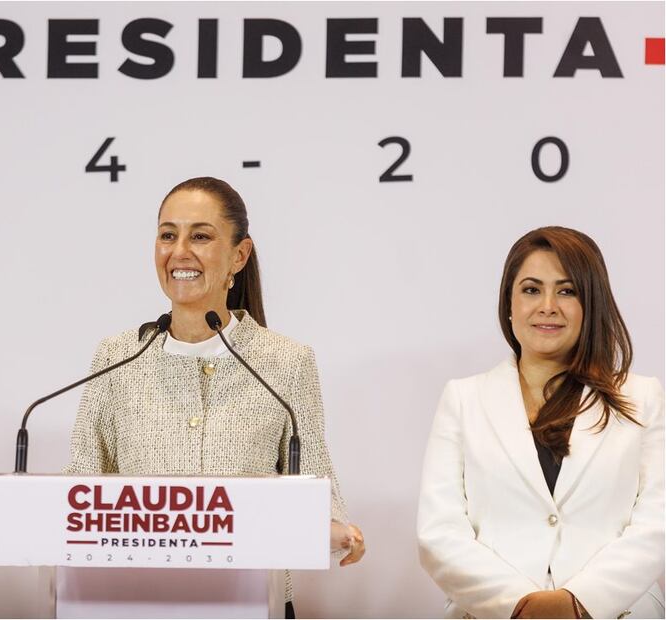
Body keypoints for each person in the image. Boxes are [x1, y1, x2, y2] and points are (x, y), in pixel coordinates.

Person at [65, 176, 365, 616]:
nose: (179, 251)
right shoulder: (116, 358)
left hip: (253, 604)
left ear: (238, 256)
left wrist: (333, 527)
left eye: (200, 236)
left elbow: (316, 485)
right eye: (168, 235)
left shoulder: (286, 361)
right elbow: (79, 489)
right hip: (137, 603)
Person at [417, 227, 664, 619]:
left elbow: (656, 525)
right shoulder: (463, 399)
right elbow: (439, 533)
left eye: (567, 291)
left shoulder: (644, 398)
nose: (548, 305)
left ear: (591, 303)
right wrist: (521, 605)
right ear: (509, 304)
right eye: (531, 289)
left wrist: (578, 602)